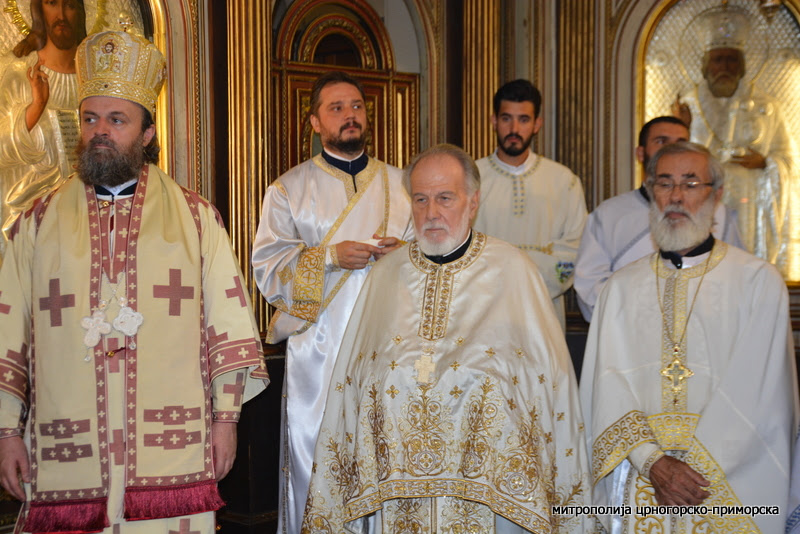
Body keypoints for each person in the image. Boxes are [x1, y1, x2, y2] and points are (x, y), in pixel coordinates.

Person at [0, 29, 268, 533]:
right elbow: (7, 332)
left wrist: (226, 420)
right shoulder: (38, 222)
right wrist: (5, 432)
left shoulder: (195, 219)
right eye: (90, 118)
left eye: (116, 119)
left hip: (172, 448)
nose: (99, 131)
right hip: (67, 451)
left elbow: (228, 327)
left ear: (146, 134)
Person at [302, 144, 590, 533]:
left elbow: (548, 386)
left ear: (473, 202)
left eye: (445, 198)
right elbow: (351, 386)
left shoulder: (513, 270)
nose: (431, 212)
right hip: (398, 500)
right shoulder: (385, 275)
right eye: (420, 199)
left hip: (493, 506)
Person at [581, 141, 797, 533]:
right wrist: (653, 462)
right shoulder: (620, 288)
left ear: (717, 194)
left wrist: (691, 473)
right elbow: (605, 387)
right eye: (664, 183)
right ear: (651, 192)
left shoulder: (758, 283)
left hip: (728, 480)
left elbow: (761, 397)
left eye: (691, 183)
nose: (676, 196)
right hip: (641, 478)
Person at [251, 71, 413, 533]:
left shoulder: (403, 184)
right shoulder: (289, 190)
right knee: (317, 452)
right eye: (336, 108)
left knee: (388, 452)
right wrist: (329, 258)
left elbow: (434, 256)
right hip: (319, 351)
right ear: (315, 122)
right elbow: (267, 270)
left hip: (390, 348)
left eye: (357, 106)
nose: (349, 115)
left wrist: (406, 255)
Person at [574, 116, 742, 322]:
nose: (672, 149)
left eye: (681, 142)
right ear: (640, 153)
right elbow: (590, 288)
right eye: (661, 141)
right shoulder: (610, 215)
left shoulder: (719, 213)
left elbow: (736, 276)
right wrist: (652, 315)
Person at [673, 6, 792, 276]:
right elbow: (668, 162)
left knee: (746, 271)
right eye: (718, 60)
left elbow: (789, 159)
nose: (724, 67)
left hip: (750, 206)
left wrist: (767, 163)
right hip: (702, 203)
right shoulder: (686, 107)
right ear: (706, 66)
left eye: (731, 60)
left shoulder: (767, 107)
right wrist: (682, 129)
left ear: (742, 66)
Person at [473, 79, 587, 331]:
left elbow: (574, 250)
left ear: (537, 124)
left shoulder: (563, 181)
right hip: (483, 312)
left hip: (543, 312)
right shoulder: (470, 179)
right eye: (506, 119)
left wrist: (520, 280)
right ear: (494, 121)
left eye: (523, 120)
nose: (514, 129)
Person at [0, 0, 87, 256]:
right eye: (51, 3)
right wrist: (36, 108)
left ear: (81, 13)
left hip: (86, 223)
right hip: (28, 227)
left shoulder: (95, 78)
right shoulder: (18, 74)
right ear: (39, 10)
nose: (61, 15)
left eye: (70, 5)